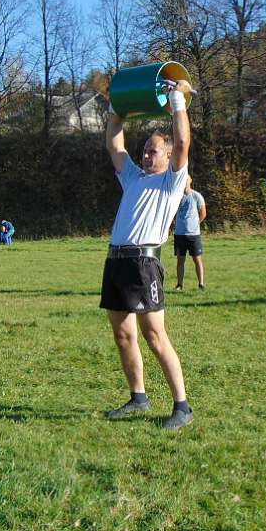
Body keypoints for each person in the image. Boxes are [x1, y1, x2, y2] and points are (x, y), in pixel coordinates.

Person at [101, 77, 194, 430]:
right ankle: (138, 397)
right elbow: (114, 145)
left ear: (168, 156)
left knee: (155, 336)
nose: (146, 154)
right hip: (116, 261)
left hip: (143, 263)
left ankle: (182, 406)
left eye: (153, 150)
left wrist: (177, 100)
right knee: (123, 335)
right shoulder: (134, 178)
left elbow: (183, 139)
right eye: (145, 150)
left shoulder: (171, 180)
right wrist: (115, 109)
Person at [172, 174, 206, 290]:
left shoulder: (197, 196)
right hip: (179, 234)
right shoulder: (177, 196)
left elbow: (203, 213)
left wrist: (195, 224)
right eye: (182, 179)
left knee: (197, 259)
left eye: (186, 179)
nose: (184, 181)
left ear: (190, 180)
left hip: (193, 235)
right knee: (180, 260)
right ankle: (179, 284)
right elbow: (171, 212)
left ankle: (201, 284)